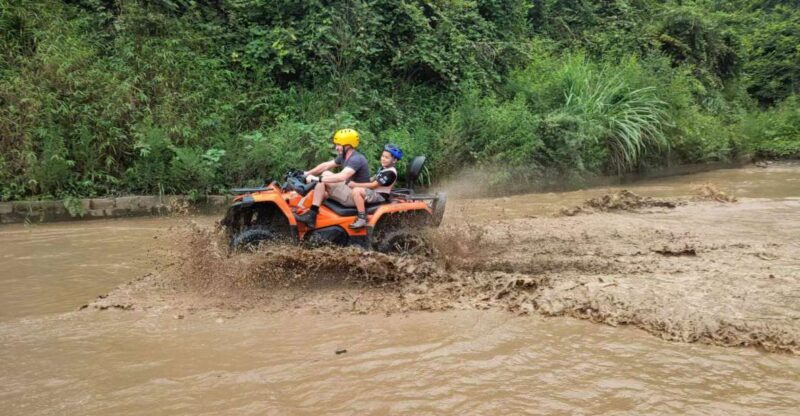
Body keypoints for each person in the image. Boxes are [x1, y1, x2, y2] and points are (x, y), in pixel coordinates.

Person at [294, 128, 370, 229]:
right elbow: (325, 165)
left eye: (339, 145)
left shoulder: (356, 159)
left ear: (347, 146)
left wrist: (317, 179)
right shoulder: (344, 156)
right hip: (348, 189)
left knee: (321, 181)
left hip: (354, 196)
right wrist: (306, 173)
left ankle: (311, 215)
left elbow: (342, 176)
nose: (336, 147)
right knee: (325, 173)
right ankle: (313, 208)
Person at [347, 144, 403, 229]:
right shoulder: (383, 169)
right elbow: (372, 179)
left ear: (394, 160)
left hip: (380, 196)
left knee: (357, 191)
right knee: (353, 188)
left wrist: (355, 185)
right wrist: (357, 181)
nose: (383, 159)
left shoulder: (390, 173)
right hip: (374, 193)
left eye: (386, 157)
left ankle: (362, 218)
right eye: (382, 156)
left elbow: (374, 185)